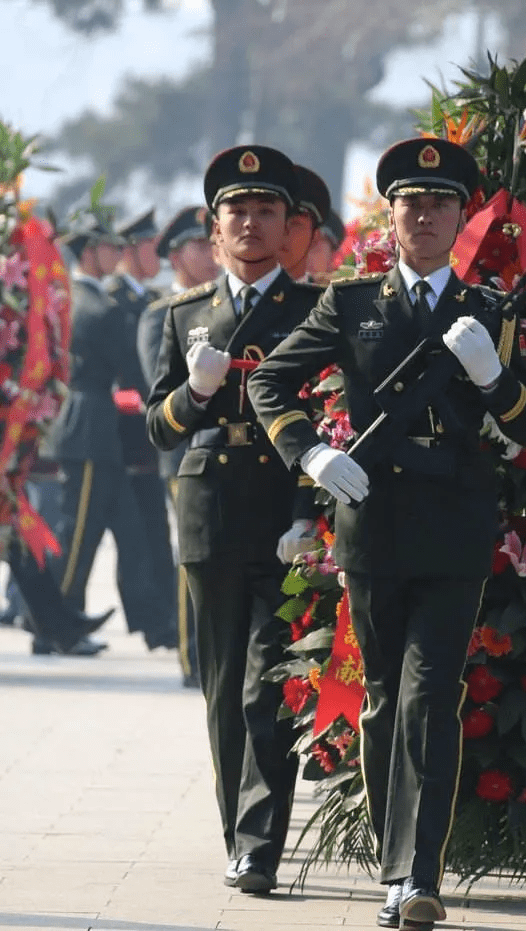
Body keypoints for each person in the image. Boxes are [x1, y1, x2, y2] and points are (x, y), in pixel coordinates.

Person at [247, 137, 526, 930]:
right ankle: (393, 860)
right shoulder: (350, 302)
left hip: (453, 526)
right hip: (372, 522)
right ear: (394, 213)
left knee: (431, 697)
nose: (424, 214)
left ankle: (419, 873)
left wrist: (493, 375)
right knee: (383, 700)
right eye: (411, 202)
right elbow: (272, 379)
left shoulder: (490, 311)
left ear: (461, 217)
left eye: (441, 202)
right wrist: (309, 450)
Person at [145, 145, 322, 893]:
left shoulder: (316, 310)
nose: (250, 223)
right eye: (236, 212)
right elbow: (159, 423)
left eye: (265, 211)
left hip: (282, 512)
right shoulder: (182, 313)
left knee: (267, 682)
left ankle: (260, 841)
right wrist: (194, 393)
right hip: (211, 510)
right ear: (214, 232)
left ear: (288, 228)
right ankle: (238, 833)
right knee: (224, 686)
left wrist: (311, 512)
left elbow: (333, 419)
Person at [47, 213, 178, 652]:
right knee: (77, 534)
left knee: (130, 533)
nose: (118, 254)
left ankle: (151, 622)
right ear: (89, 252)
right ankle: (54, 625)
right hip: (89, 426)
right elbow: (132, 367)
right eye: (109, 247)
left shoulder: (84, 299)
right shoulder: (96, 306)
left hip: (99, 428)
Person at [138, 205, 220, 687]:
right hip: (182, 451)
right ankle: (193, 660)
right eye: (196, 245)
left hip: (224, 449)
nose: (208, 254)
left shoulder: (217, 304)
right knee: (192, 555)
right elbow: (160, 386)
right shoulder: (160, 314)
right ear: (173, 254)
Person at [280, 165, 332, 282]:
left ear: (314, 237)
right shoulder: (236, 297)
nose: (282, 232)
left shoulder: (331, 299)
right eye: (273, 220)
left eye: (295, 224)